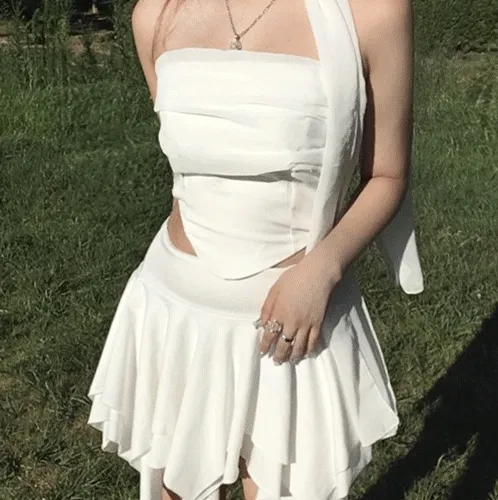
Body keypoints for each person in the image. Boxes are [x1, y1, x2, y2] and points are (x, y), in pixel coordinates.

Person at [86, 0, 422, 498]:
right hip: (176, 315)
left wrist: (322, 270)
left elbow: (387, 175)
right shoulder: (155, 14)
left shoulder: (372, 11)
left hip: (296, 322)